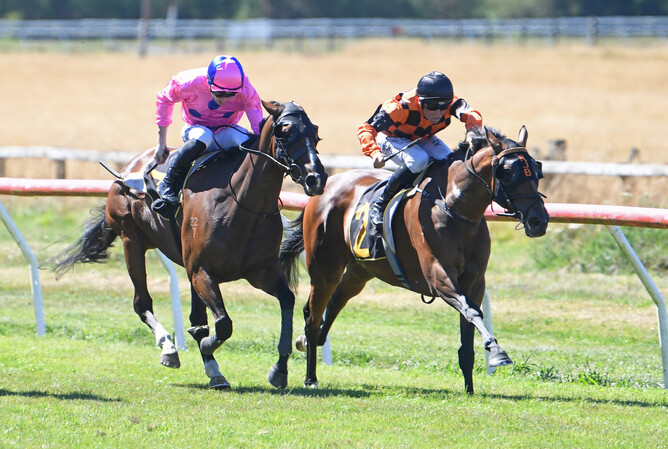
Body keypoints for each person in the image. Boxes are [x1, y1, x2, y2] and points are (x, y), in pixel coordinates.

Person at [357, 71, 483, 233]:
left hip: (422, 137)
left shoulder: (452, 103)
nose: (438, 113)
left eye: (443, 107)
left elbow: (472, 115)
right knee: (419, 159)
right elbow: (366, 128)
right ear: (420, 101)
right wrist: (374, 152)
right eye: (432, 107)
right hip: (391, 137)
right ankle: (381, 203)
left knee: (449, 162)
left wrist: (473, 132)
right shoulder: (398, 109)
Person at [152, 55, 263, 213]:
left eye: (231, 95)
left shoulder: (246, 89)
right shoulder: (189, 81)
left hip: (226, 130)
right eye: (219, 94)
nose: (224, 99)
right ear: (208, 83)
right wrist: (161, 143)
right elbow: (164, 99)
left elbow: (258, 129)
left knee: (245, 140)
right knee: (204, 136)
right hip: (195, 129)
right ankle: (168, 182)